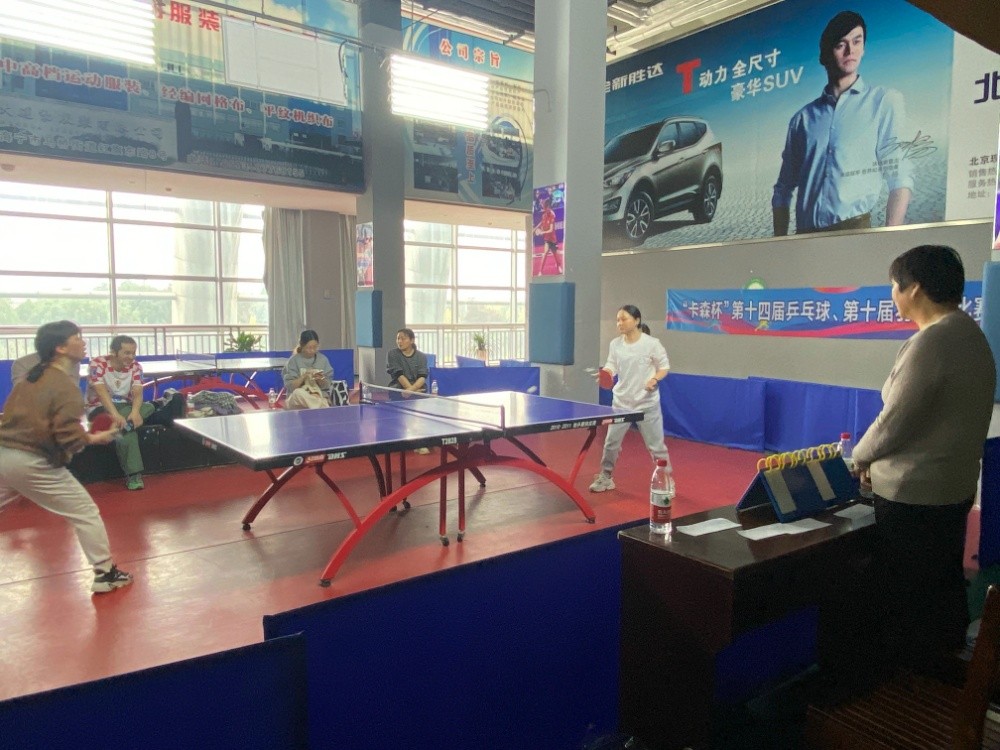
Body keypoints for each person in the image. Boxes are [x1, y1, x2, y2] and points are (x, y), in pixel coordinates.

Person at [853, 245, 995, 678]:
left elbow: (895, 420)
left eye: (894, 286)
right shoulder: (971, 335)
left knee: (904, 596)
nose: (892, 295)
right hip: (953, 488)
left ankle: (900, 688)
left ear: (913, 288)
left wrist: (858, 458)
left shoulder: (931, 342)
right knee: (941, 587)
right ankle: (941, 675)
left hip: (914, 494)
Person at [0, 321, 132, 593]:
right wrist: (95, 438)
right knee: (86, 512)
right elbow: (69, 439)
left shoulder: (31, 378)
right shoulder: (64, 386)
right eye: (77, 338)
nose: (83, 343)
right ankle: (105, 574)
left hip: (4, 456)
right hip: (32, 461)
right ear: (60, 348)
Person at [772, 10, 913, 236]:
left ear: (864, 47)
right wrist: (779, 241)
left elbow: (900, 177)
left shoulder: (884, 101)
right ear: (825, 54)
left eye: (857, 41)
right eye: (841, 44)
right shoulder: (802, 119)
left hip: (854, 232)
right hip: (804, 238)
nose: (850, 51)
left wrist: (889, 239)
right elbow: (783, 188)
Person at [589, 305, 672, 493]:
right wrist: (606, 373)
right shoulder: (615, 344)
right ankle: (606, 477)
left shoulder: (652, 344)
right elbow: (611, 365)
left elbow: (664, 367)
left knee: (656, 447)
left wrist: (654, 379)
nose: (619, 323)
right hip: (621, 403)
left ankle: (666, 481)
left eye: (624, 319)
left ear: (636, 320)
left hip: (647, 403)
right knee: (611, 444)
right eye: (618, 320)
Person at [86, 335, 154, 491]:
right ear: (113, 352)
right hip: (99, 407)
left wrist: (135, 413)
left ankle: (118, 430)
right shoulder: (97, 364)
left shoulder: (136, 367)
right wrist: (116, 415)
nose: (131, 357)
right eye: (126, 353)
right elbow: (101, 392)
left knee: (147, 407)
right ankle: (134, 475)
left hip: (125, 406)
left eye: (133, 353)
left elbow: (138, 393)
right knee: (134, 425)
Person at [283, 329, 336, 409]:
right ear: (302, 346)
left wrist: (320, 379)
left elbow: (327, 385)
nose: (312, 350)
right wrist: (304, 376)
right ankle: (322, 405)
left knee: (317, 398)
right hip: (298, 399)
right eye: (309, 347)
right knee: (298, 393)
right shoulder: (293, 361)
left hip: (318, 395)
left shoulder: (323, 360)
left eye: (315, 347)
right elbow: (290, 387)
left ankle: (317, 404)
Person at [387, 328, 428, 392]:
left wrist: (411, 390)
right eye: (398, 338)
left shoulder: (421, 356)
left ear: (412, 340)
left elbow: (422, 377)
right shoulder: (392, 354)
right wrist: (412, 391)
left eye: (403, 339)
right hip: (399, 389)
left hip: (418, 389)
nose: (399, 341)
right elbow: (399, 375)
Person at [532, 197, 563, 274]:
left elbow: (551, 230)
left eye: (546, 207)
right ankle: (540, 271)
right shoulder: (544, 215)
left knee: (556, 256)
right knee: (545, 253)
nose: (545, 209)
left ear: (549, 207)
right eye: (545, 208)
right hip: (547, 240)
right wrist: (535, 228)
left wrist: (543, 232)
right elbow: (541, 222)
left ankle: (559, 267)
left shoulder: (552, 215)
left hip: (553, 239)